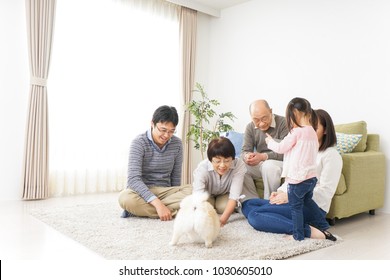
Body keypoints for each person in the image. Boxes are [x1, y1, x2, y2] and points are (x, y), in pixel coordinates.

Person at [242, 108, 341, 241]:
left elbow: (325, 191)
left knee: (255, 216)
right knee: (248, 204)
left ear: (326, 130)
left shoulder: (330, 155)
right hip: (293, 199)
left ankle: (309, 231)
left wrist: (289, 196)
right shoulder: (300, 149)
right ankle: (292, 222)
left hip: (312, 206)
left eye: (314, 127)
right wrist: (280, 192)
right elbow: (292, 178)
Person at [118, 105, 192, 221]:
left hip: (165, 192)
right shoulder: (139, 143)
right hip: (141, 192)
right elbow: (133, 180)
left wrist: (173, 195)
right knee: (125, 198)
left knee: (195, 190)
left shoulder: (177, 144)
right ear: (152, 124)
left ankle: (145, 211)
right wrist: (158, 204)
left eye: (171, 131)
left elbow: (175, 177)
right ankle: (168, 210)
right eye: (163, 130)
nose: (166, 135)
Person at [192, 137, 257, 227]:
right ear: (210, 159)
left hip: (224, 193)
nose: (222, 165)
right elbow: (198, 197)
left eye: (227, 161)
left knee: (223, 207)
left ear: (233, 158)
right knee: (204, 207)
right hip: (206, 194)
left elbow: (234, 196)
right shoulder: (202, 168)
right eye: (217, 161)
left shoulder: (238, 165)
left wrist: (222, 220)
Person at [241, 99, 289, 199]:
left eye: (264, 118)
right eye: (256, 120)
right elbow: (245, 150)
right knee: (238, 165)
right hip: (261, 163)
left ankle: (269, 202)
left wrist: (263, 156)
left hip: (280, 163)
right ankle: (252, 201)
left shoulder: (284, 123)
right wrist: (247, 156)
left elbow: (287, 151)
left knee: (269, 166)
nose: (261, 124)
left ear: (270, 111)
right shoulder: (250, 127)